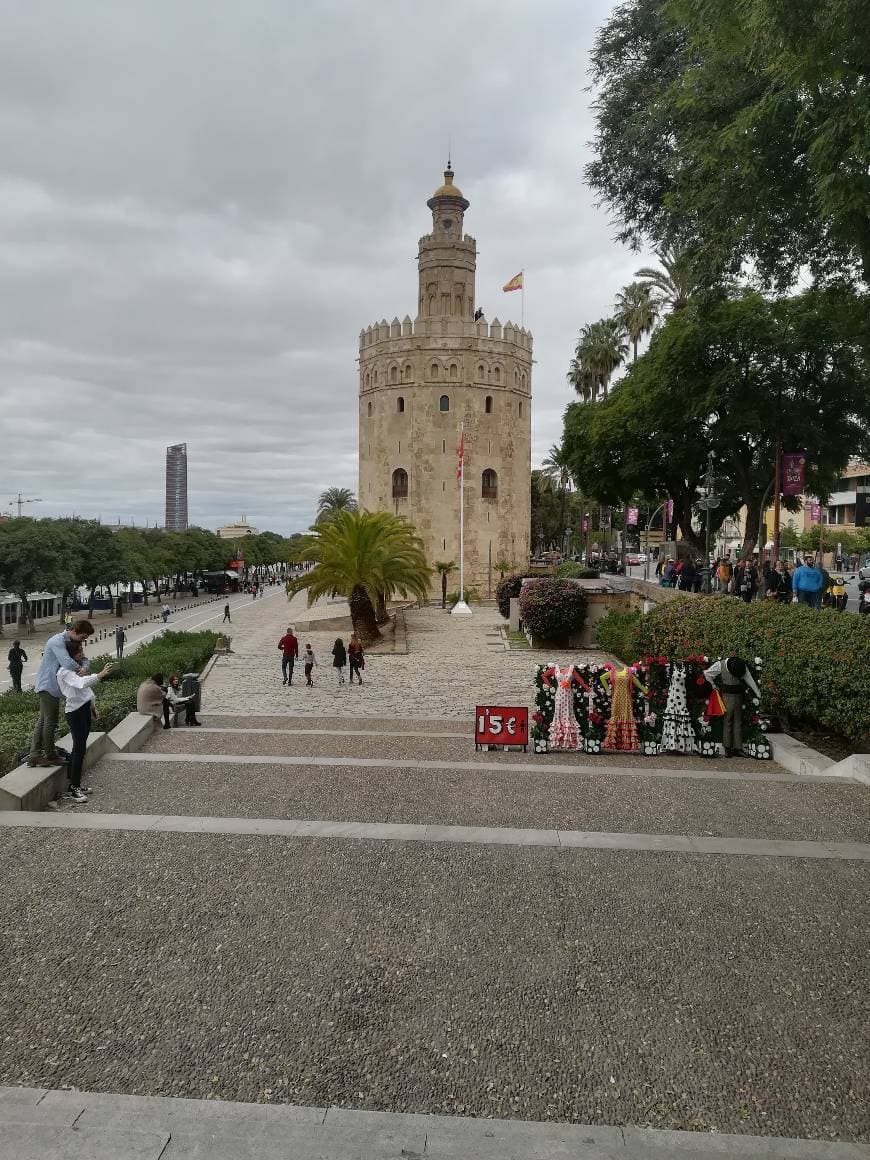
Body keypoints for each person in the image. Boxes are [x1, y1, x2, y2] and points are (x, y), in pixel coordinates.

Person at [28, 619, 94, 768]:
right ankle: (50, 755)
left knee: (43, 721)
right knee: (50, 721)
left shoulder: (72, 643)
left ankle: (34, 755)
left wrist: (84, 667)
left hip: (53, 688)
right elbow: (66, 662)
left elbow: (84, 658)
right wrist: (81, 669)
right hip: (48, 685)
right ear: (74, 631)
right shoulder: (56, 641)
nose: (83, 641)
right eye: (82, 637)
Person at [57, 640, 115, 803]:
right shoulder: (64, 672)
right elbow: (82, 684)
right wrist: (100, 675)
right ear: (70, 654)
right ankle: (73, 788)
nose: (82, 654)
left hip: (84, 710)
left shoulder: (75, 669)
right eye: (79, 651)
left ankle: (76, 784)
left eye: (82, 650)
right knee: (78, 749)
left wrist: (93, 707)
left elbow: (86, 690)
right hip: (74, 713)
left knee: (80, 749)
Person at [703, 656, 762, 757]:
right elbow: (707, 673)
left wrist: (757, 692)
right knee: (728, 721)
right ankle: (728, 747)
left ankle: (737, 748)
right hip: (727, 696)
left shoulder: (739, 666)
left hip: (738, 696)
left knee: (737, 722)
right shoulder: (720, 664)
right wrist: (713, 684)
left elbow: (749, 679)